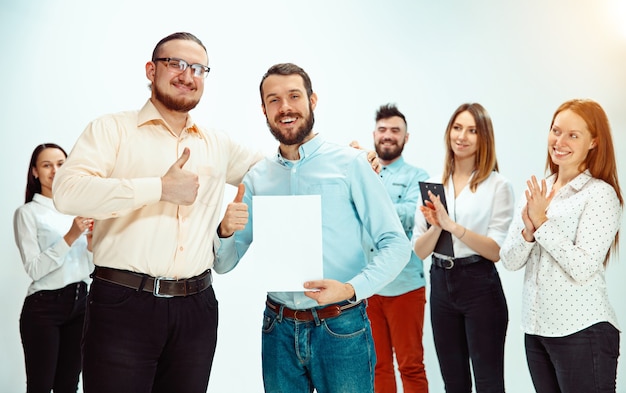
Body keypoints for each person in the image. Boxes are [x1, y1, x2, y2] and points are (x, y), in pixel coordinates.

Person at [52, 32, 264, 393]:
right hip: (123, 305)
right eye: (175, 64)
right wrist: (159, 189)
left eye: (198, 68)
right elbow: (67, 192)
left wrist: (352, 160)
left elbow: (279, 173)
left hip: (197, 309)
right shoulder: (112, 129)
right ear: (151, 70)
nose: (187, 74)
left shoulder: (219, 143)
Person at [214, 63, 411, 393]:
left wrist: (349, 289)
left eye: (294, 96)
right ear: (264, 110)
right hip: (277, 331)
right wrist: (224, 231)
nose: (285, 107)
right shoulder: (256, 178)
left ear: (312, 100)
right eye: (274, 100)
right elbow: (224, 263)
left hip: (341, 327)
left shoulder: (351, 164)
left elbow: (396, 245)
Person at [500, 99, 622, 393]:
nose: (560, 141)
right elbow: (509, 260)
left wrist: (542, 224)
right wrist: (529, 231)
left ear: (594, 141)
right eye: (556, 131)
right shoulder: (539, 191)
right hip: (536, 329)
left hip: (582, 331)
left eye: (573, 135)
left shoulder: (600, 195)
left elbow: (582, 267)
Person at [412, 103, 514, 393]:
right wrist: (436, 226)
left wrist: (452, 225)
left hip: (480, 284)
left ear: (484, 138)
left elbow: (496, 250)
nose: (462, 136)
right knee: (454, 384)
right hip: (441, 283)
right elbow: (419, 251)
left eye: (472, 130)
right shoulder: (432, 184)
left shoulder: (497, 185)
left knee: (488, 383)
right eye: (457, 128)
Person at [351, 103, 429, 393]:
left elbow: (412, 213)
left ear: (406, 138)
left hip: (405, 285)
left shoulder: (417, 176)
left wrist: (370, 195)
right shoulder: (358, 169)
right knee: (377, 365)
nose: (388, 135)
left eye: (395, 130)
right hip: (369, 285)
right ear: (374, 135)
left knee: (411, 365)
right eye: (382, 130)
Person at [13, 143, 94, 393]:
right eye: (47, 165)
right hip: (44, 308)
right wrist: (71, 235)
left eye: (60, 164)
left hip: (81, 304)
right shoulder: (28, 213)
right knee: (40, 386)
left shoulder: (79, 210)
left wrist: (91, 243)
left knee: (69, 386)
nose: (55, 170)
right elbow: (34, 269)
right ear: (35, 172)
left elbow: (89, 267)